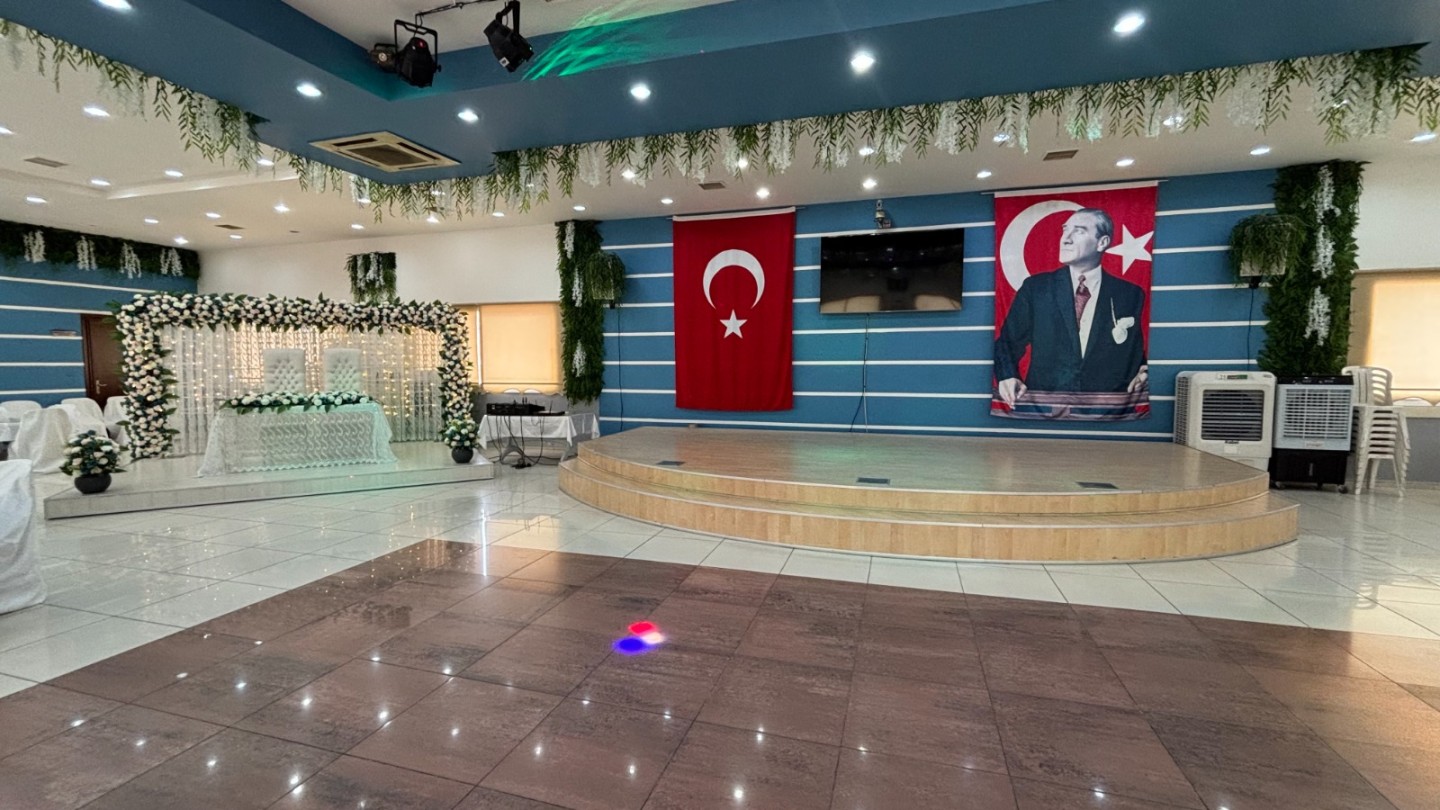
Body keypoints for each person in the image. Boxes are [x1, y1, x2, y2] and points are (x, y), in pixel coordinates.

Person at [995, 208, 1148, 406]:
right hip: (1043, 406)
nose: (1065, 239)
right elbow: (1007, 343)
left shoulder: (1129, 293)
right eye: (1065, 230)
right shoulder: (1036, 288)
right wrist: (1007, 375)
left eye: (1079, 231)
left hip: (1106, 407)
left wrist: (1142, 370)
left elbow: (1132, 350)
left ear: (1102, 242)